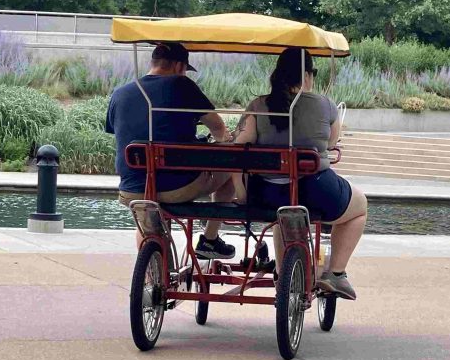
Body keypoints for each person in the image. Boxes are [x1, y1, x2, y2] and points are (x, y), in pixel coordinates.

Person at [233, 47, 367, 300]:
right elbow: (331, 143)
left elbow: (241, 143)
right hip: (314, 189)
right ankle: (336, 273)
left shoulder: (258, 105)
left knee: (281, 217)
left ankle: (284, 276)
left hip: (266, 191)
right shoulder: (325, 105)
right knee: (359, 206)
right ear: (307, 75)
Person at [105, 42, 235, 258]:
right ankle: (210, 240)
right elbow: (218, 127)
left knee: (146, 215)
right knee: (232, 170)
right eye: (184, 69)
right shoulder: (181, 85)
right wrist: (224, 141)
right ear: (177, 66)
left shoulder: (120, 93)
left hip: (133, 187)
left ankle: (152, 270)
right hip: (178, 187)